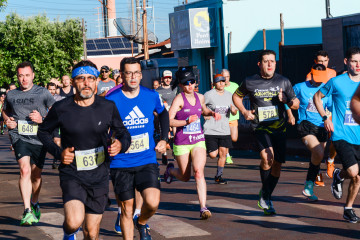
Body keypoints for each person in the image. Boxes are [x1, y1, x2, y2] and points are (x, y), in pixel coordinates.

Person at [38, 60, 131, 239]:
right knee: (74, 222)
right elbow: (43, 132)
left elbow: (123, 132)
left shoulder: (107, 106)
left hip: (99, 175)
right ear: (73, 82)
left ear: (96, 81)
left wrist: (121, 144)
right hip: (73, 173)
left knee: (91, 232)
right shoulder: (61, 108)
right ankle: (69, 231)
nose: (86, 83)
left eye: (90, 78)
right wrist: (59, 153)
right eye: (81, 78)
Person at [106, 57, 169, 240]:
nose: (133, 76)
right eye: (128, 73)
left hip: (146, 159)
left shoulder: (151, 95)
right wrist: (110, 142)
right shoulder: (111, 99)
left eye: (136, 73)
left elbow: (163, 113)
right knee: (126, 209)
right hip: (120, 162)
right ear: (121, 75)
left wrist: (164, 139)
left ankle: (141, 222)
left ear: (141, 75)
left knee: (153, 202)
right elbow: (102, 128)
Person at [232, 50, 299, 215]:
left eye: (272, 61)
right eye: (266, 61)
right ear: (259, 64)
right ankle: (266, 195)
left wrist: (287, 102)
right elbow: (236, 96)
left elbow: (296, 103)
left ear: (275, 63)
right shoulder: (250, 82)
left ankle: (266, 194)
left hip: (279, 128)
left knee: (277, 165)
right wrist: (244, 111)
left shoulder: (284, 81)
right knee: (267, 157)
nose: (270, 64)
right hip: (260, 126)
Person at [2, 61, 56, 225]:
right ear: (17, 77)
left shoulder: (43, 93)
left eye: (27, 75)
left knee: (36, 176)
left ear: (33, 75)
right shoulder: (11, 95)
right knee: (24, 170)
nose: (24, 79)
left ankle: (35, 201)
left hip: (39, 138)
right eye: (21, 76)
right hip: (19, 136)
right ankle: (26, 210)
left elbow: (56, 114)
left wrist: (42, 119)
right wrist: (7, 121)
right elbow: (5, 111)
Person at [163, 68, 221, 220]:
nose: (190, 85)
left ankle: (203, 207)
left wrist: (212, 113)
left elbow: (203, 110)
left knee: (198, 172)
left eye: (192, 82)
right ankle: (171, 171)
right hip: (182, 142)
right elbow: (169, 120)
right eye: (186, 83)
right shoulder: (179, 99)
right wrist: (185, 121)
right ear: (181, 85)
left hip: (198, 140)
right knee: (185, 176)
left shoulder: (200, 97)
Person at [314, 46, 360, 223]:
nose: (358, 65)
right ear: (346, 62)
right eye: (354, 61)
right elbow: (317, 98)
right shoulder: (336, 82)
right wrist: (325, 117)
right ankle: (339, 175)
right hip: (341, 135)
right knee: (353, 171)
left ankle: (348, 209)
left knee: (357, 179)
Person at [287, 64, 332, 201]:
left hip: (322, 126)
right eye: (317, 77)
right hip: (305, 125)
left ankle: (308, 186)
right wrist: (290, 114)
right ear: (311, 75)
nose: (319, 81)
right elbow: (286, 99)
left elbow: (330, 107)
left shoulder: (327, 89)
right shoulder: (300, 87)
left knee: (317, 157)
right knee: (318, 153)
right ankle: (309, 185)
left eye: (322, 78)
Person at [204, 74, 237, 184]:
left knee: (223, 154)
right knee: (213, 155)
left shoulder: (229, 95)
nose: (221, 83)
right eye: (219, 81)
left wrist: (233, 110)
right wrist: (205, 114)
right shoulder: (208, 94)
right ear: (214, 83)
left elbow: (234, 111)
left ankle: (219, 176)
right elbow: (200, 107)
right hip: (211, 129)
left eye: (223, 81)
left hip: (224, 129)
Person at [155, 70, 178, 165]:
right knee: (164, 136)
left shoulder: (175, 88)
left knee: (176, 135)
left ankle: (175, 151)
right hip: (163, 116)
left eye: (169, 78)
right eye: (166, 78)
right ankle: (164, 155)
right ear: (162, 79)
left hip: (174, 116)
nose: (168, 79)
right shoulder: (157, 91)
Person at [221, 69, 240, 164]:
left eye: (227, 77)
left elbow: (240, 97)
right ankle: (227, 155)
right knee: (226, 136)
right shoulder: (218, 86)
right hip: (223, 117)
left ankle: (225, 151)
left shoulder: (235, 86)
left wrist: (237, 107)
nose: (226, 79)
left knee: (234, 138)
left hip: (233, 116)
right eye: (224, 77)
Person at [46, 82, 63, 169]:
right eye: (50, 89)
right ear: (47, 89)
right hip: (45, 124)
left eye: (53, 89)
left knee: (57, 142)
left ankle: (55, 162)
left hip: (56, 123)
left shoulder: (59, 98)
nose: (52, 91)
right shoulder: (43, 97)